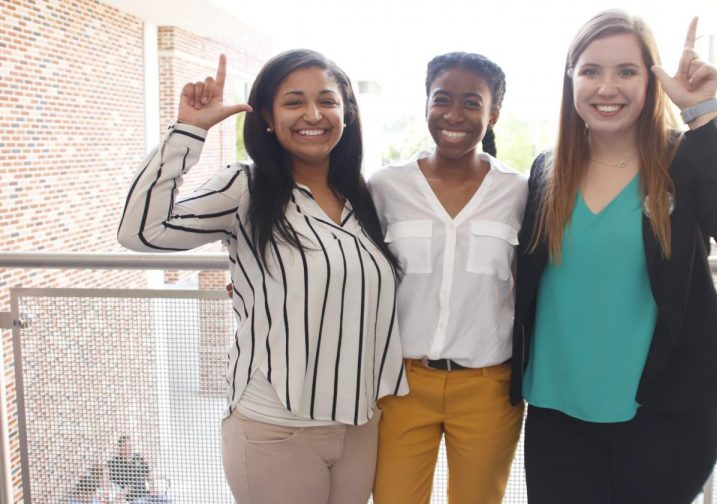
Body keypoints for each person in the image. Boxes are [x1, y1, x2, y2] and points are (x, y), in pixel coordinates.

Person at [510, 11, 717, 504]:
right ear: (570, 78)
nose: (607, 87)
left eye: (626, 71)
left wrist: (704, 113)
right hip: (558, 413)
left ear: (652, 80)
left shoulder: (683, 159)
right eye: (591, 70)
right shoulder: (547, 170)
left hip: (663, 415)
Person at [118, 50, 408, 504]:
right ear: (268, 118)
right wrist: (189, 131)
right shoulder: (244, 188)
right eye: (293, 102)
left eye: (327, 101)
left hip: (358, 424)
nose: (313, 114)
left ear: (346, 115)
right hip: (275, 427)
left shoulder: (365, 198)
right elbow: (141, 231)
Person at [369, 53, 527, 504]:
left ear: (493, 114)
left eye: (472, 103)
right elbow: (350, 261)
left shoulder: (518, 192)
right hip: (401, 385)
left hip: (488, 388)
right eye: (442, 99)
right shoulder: (385, 187)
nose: (454, 115)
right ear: (426, 105)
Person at [107, 436, 151, 503]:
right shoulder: (115, 464)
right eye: (126, 446)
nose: (129, 448)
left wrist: (152, 484)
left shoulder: (138, 458)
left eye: (130, 445)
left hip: (145, 494)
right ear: (120, 448)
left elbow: (148, 474)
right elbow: (115, 485)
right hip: (129, 498)